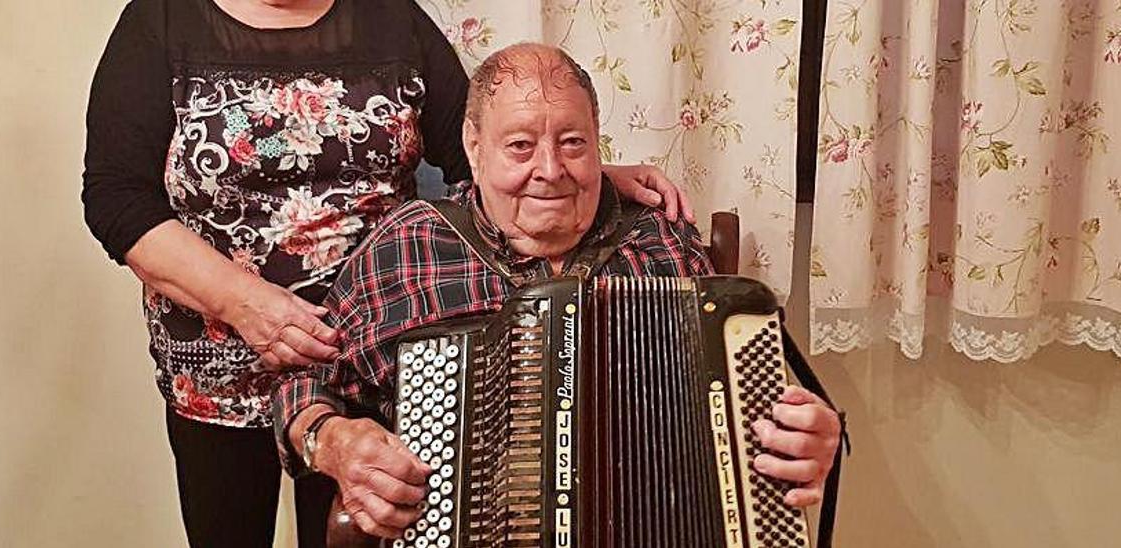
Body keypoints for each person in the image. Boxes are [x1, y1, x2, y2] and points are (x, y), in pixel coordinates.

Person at [80, 1, 693, 545]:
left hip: (379, 347)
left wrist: (569, 181)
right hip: (222, 360)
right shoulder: (160, 22)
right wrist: (245, 303)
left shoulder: (391, 17)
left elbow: (474, 149)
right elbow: (116, 199)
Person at [273, 43, 843, 540]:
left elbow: (746, 419)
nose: (550, 169)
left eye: (572, 143)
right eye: (520, 146)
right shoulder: (408, 246)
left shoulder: (661, 243)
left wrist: (800, 441)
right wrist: (331, 439)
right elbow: (307, 376)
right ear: (474, 148)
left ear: (598, 142)